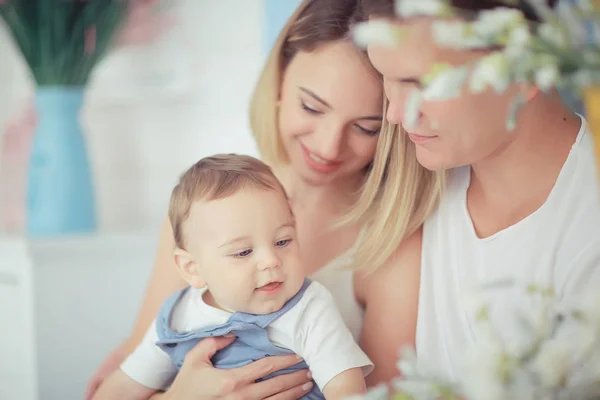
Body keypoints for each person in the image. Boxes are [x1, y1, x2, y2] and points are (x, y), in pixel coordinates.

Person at [86, 0, 443, 398]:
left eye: (366, 127)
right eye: (311, 107)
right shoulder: (205, 210)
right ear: (278, 82)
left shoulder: (389, 242)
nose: (329, 146)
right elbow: (127, 379)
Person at [356, 0, 600, 381]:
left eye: (424, 84)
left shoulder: (588, 234)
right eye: (385, 75)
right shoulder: (415, 187)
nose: (395, 114)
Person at [93, 154, 372, 400]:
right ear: (193, 269)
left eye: (283, 241)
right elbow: (120, 390)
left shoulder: (309, 308)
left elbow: (347, 391)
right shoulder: (177, 317)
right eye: (243, 252)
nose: (271, 261)